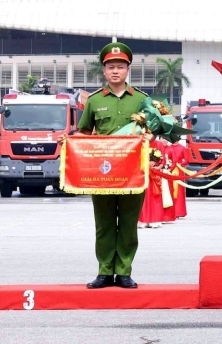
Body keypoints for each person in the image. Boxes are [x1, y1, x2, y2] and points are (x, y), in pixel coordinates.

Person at [76, 42, 149, 289]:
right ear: (104, 71)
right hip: (103, 172)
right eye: (110, 67)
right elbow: (84, 132)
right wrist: (70, 141)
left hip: (133, 172)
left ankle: (124, 271)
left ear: (128, 69)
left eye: (120, 66)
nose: (115, 71)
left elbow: (153, 129)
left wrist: (150, 137)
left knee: (128, 223)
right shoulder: (94, 100)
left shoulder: (142, 100)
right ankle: (105, 271)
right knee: (104, 223)